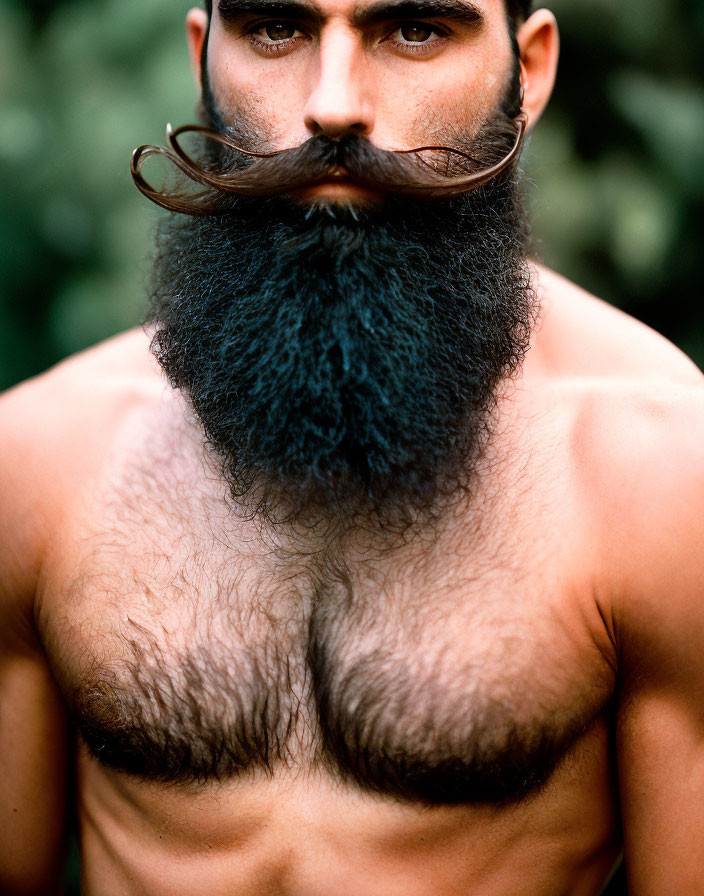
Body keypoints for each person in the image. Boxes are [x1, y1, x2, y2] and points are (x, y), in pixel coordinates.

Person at [1, 0, 703, 893]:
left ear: (529, 71)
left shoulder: (664, 477)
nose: (332, 103)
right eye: (273, 28)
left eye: (414, 29)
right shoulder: (37, 462)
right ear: (201, 53)